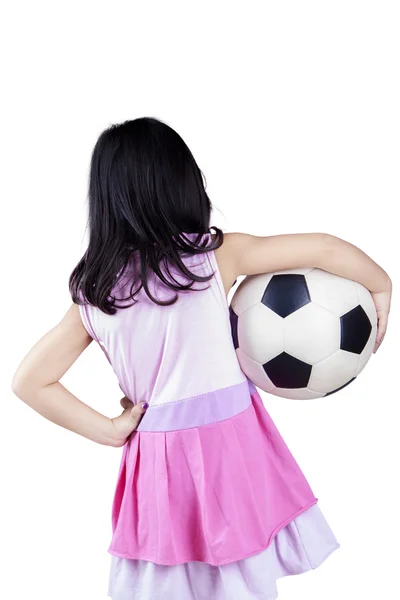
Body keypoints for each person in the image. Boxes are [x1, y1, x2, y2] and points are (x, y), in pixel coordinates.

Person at [11, 117, 392, 600]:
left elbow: (30, 381)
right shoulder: (213, 258)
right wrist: (381, 284)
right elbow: (324, 248)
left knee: (164, 577)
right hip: (230, 451)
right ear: (183, 183)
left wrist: (109, 429)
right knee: (240, 576)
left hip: (157, 460)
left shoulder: (96, 294)